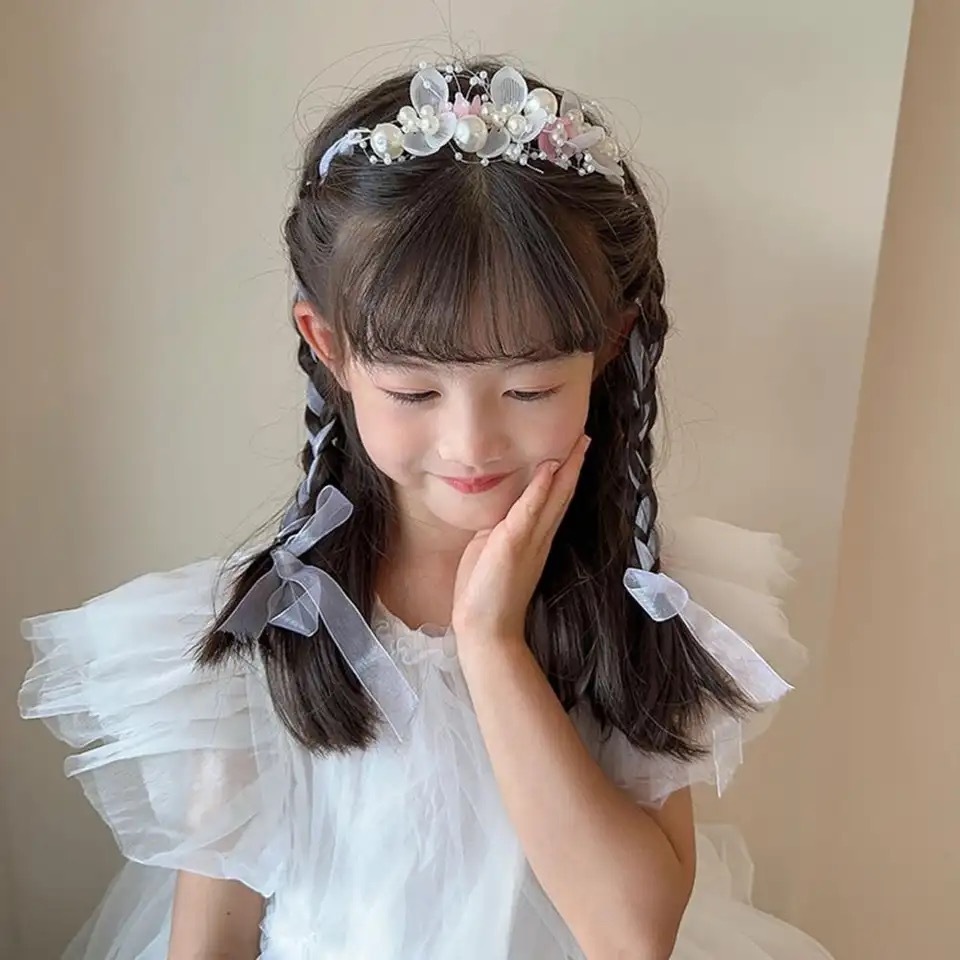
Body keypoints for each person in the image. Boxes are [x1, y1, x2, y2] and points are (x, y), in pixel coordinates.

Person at [18, 57, 834, 960]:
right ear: (328, 347)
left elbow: (632, 935)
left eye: (528, 389)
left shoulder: (641, 601)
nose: (471, 445)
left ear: (608, 349)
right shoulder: (269, 627)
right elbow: (210, 940)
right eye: (413, 392)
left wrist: (493, 644)